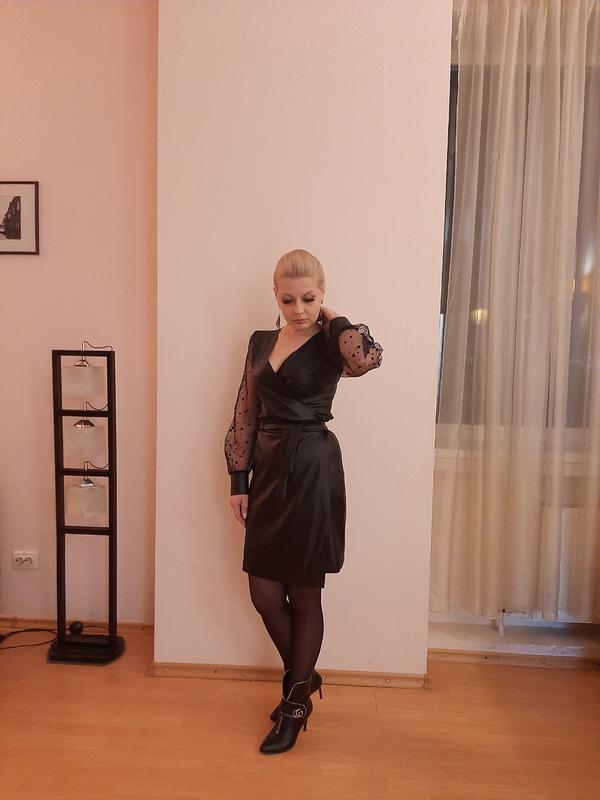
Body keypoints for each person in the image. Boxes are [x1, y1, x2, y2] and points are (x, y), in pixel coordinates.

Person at [224, 248, 383, 754]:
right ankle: (304, 678)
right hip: (269, 470)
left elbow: (366, 360)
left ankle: (294, 703)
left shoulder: (335, 344)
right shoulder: (259, 342)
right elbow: (246, 412)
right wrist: (239, 479)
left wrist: (334, 319)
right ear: (275, 295)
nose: (298, 309)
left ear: (323, 295)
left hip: (313, 468)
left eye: (309, 299)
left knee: (305, 595)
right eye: (288, 299)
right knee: (264, 594)